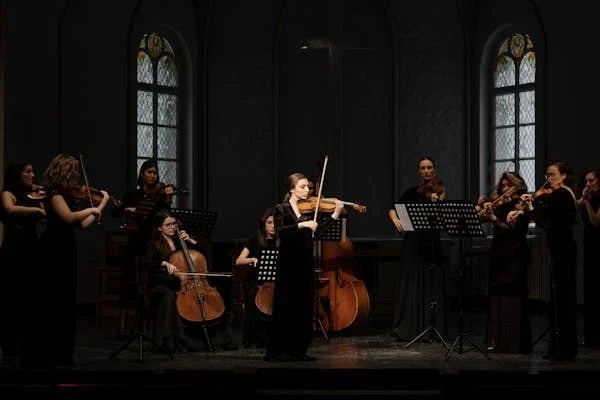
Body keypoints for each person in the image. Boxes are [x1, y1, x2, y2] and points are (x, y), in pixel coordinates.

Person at [26, 154, 109, 367]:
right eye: (73, 171)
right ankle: (48, 353)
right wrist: (91, 208)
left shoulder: (68, 196)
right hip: (52, 250)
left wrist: (101, 206)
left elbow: (82, 224)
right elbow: (70, 218)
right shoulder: (54, 195)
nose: (77, 175)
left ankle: (62, 353)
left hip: (65, 248)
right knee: (53, 300)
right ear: (65, 172)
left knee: (65, 300)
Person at [264, 173, 343, 362]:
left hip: (305, 260)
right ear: (291, 189)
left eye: (308, 187)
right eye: (302, 187)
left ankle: (299, 350)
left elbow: (319, 231)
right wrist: (302, 225)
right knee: (286, 303)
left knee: (304, 304)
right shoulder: (281, 208)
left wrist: (335, 214)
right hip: (288, 261)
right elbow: (280, 232)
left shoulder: (308, 211)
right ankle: (279, 351)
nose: (307, 190)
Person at [145, 209, 236, 352]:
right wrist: (164, 263)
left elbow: (201, 254)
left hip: (190, 283)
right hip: (167, 283)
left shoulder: (181, 241)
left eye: (174, 224)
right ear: (158, 227)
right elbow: (148, 262)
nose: (173, 227)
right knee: (169, 296)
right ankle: (179, 341)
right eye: (168, 225)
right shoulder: (155, 243)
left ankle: (223, 339)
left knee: (218, 295)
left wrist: (190, 240)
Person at [516, 160, 578, 361]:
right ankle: (558, 347)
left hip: (564, 250)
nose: (549, 179)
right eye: (547, 175)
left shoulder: (562, 195)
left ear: (563, 175)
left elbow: (545, 220)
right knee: (559, 298)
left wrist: (531, 206)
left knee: (563, 299)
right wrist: (533, 204)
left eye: (552, 174)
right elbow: (545, 215)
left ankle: (564, 349)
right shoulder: (557, 195)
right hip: (560, 249)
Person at [387, 157, 447, 342]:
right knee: (412, 282)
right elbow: (392, 209)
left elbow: (441, 210)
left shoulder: (439, 190)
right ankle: (411, 326)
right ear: (419, 171)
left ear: (434, 170)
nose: (426, 171)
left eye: (429, 167)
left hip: (430, 241)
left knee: (429, 284)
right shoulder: (412, 192)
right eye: (423, 168)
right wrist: (396, 219)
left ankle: (430, 328)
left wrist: (436, 201)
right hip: (413, 242)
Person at [111, 159, 174, 335]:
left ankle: (148, 325)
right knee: (129, 281)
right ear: (142, 174)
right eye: (149, 172)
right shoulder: (133, 195)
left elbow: (165, 217)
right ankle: (123, 327)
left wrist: (168, 199)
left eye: (155, 172)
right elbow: (115, 213)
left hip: (152, 244)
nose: (153, 175)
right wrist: (125, 210)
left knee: (151, 282)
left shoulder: (160, 197)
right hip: (135, 243)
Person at [479, 172, 532, 353]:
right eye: (502, 186)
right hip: (499, 252)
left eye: (508, 185)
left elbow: (512, 229)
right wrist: (481, 208)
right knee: (496, 294)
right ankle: (497, 340)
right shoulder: (500, 203)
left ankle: (513, 342)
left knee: (512, 294)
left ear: (517, 186)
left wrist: (493, 218)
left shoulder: (521, 204)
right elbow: (479, 219)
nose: (504, 189)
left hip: (515, 254)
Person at [0, 163, 46, 368]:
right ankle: (10, 348)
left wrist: (40, 198)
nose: (33, 174)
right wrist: (35, 209)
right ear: (18, 174)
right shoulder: (8, 193)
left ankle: (28, 345)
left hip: (31, 246)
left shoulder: (33, 195)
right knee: (11, 296)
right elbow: (10, 209)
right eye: (28, 171)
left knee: (31, 296)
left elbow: (43, 217)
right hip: (14, 248)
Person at [235, 208, 276, 348]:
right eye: (269, 222)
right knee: (253, 296)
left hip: (274, 281)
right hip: (255, 281)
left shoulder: (281, 241)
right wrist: (252, 259)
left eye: (276, 223)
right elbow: (239, 261)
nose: (273, 226)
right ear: (264, 224)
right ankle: (254, 338)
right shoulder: (255, 239)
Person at [577, 168, 600, 349]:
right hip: (590, 245)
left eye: (591, 181)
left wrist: (586, 203)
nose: (588, 185)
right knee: (590, 290)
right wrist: (581, 201)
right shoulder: (589, 198)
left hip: (598, 244)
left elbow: (595, 221)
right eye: (586, 181)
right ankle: (590, 337)